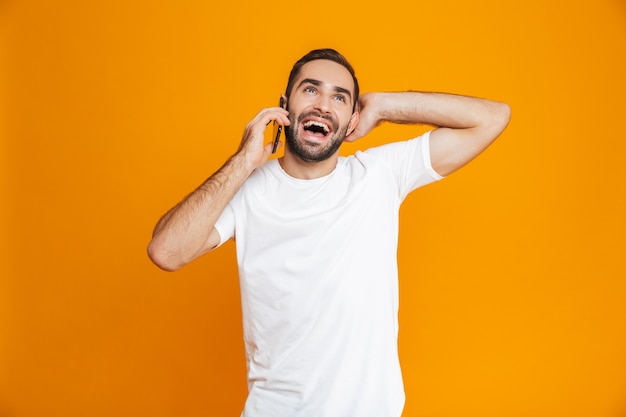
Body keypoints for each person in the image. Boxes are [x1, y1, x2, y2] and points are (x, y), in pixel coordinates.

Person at [148, 48, 510, 417]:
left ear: (353, 117)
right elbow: (166, 251)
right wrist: (243, 160)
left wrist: (383, 106)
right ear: (283, 106)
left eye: (339, 97)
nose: (323, 105)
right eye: (310, 90)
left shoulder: (379, 175)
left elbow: (492, 118)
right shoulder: (247, 189)